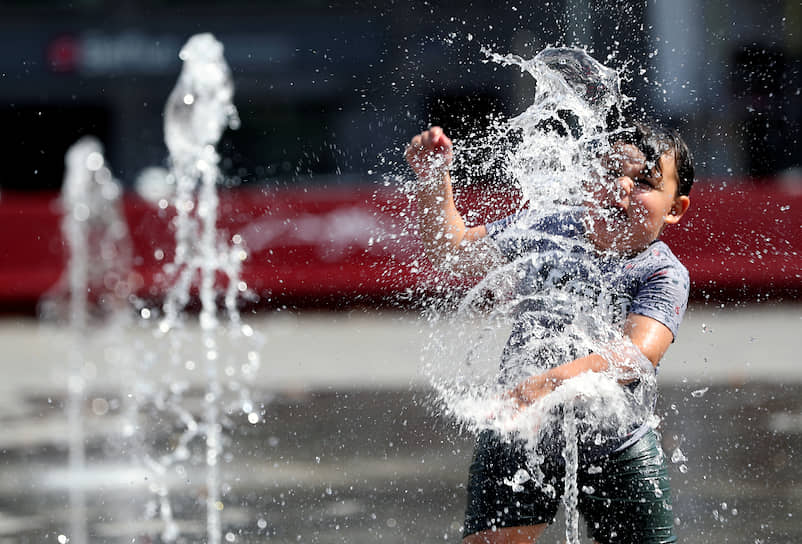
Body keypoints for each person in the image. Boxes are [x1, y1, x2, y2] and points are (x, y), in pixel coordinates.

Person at [405, 120, 694, 543]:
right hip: (522, 432)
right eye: (611, 171)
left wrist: (541, 386)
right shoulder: (549, 229)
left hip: (618, 444)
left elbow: (634, 356)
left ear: (675, 208)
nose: (621, 188)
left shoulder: (661, 271)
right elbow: (453, 254)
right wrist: (434, 179)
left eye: (645, 181)